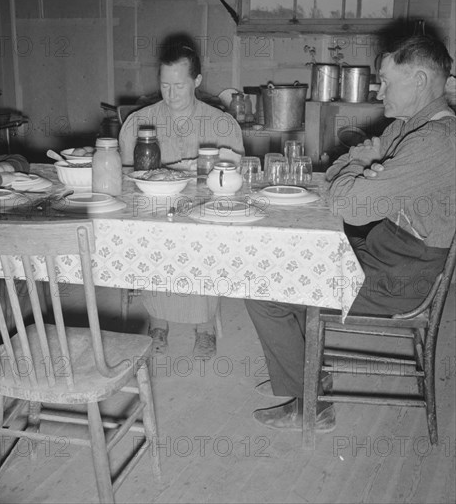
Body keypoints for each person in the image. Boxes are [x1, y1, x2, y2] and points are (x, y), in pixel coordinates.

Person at [245, 35, 456, 432]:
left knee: (261, 287)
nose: (379, 89)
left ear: (422, 80)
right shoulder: (412, 126)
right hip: (387, 250)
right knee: (289, 259)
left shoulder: (435, 141)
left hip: (402, 276)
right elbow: (338, 169)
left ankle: (312, 405)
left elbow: (348, 204)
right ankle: (308, 376)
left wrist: (359, 169)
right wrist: (361, 166)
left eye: (388, 81)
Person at [119, 43, 245, 359]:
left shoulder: (220, 123)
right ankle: (157, 323)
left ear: (197, 81)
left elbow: (235, 179)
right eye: (164, 85)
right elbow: (124, 178)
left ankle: (205, 328)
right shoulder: (139, 122)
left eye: (179, 86)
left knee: (205, 238)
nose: (171, 94)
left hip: (203, 213)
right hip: (154, 211)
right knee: (150, 234)